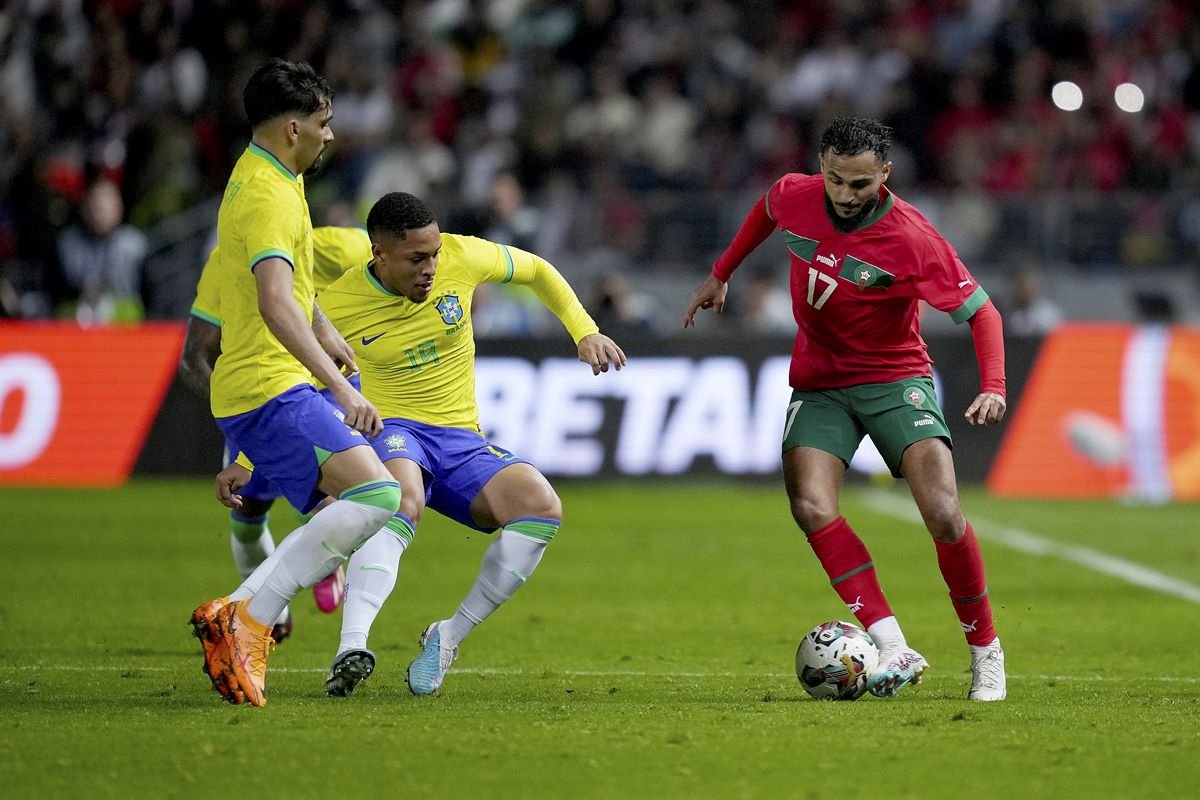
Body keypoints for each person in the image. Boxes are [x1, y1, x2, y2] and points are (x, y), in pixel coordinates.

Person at [683, 117, 1008, 702]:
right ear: (822, 166)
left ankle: (985, 651)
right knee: (809, 505)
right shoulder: (795, 193)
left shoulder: (913, 237)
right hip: (821, 382)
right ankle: (891, 644)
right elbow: (765, 210)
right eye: (835, 179)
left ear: (884, 174)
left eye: (859, 185)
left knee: (942, 512)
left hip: (894, 379)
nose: (844, 195)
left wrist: (995, 385)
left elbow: (982, 313)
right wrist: (720, 273)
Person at [316, 191, 626, 697]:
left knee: (541, 507)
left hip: (460, 439)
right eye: (417, 258)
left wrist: (583, 331)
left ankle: (448, 637)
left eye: (435, 253)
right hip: (392, 429)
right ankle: (351, 646)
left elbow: (539, 271)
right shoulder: (339, 304)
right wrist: (244, 458)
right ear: (380, 255)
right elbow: (292, 375)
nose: (432, 267)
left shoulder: (462, 256)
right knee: (403, 499)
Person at [188, 59, 401, 708]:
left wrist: (330, 335)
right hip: (270, 388)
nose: (330, 135)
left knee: (353, 502)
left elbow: (288, 289)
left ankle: (247, 614)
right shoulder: (272, 195)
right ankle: (245, 616)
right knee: (378, 495)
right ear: (290, 128)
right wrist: (339, 389)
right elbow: (275, 303)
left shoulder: (263, 176)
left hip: (265, 389)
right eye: (322, 123)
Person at [179, 226, 375, 643]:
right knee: (247, 518)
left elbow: (395, 276)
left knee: (341, 495)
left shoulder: (341, 247)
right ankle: (273, 611)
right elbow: (194, 355)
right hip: (260, 399)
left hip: (324, 386)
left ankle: (268, 606)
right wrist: (237, 409)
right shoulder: (223, 265)